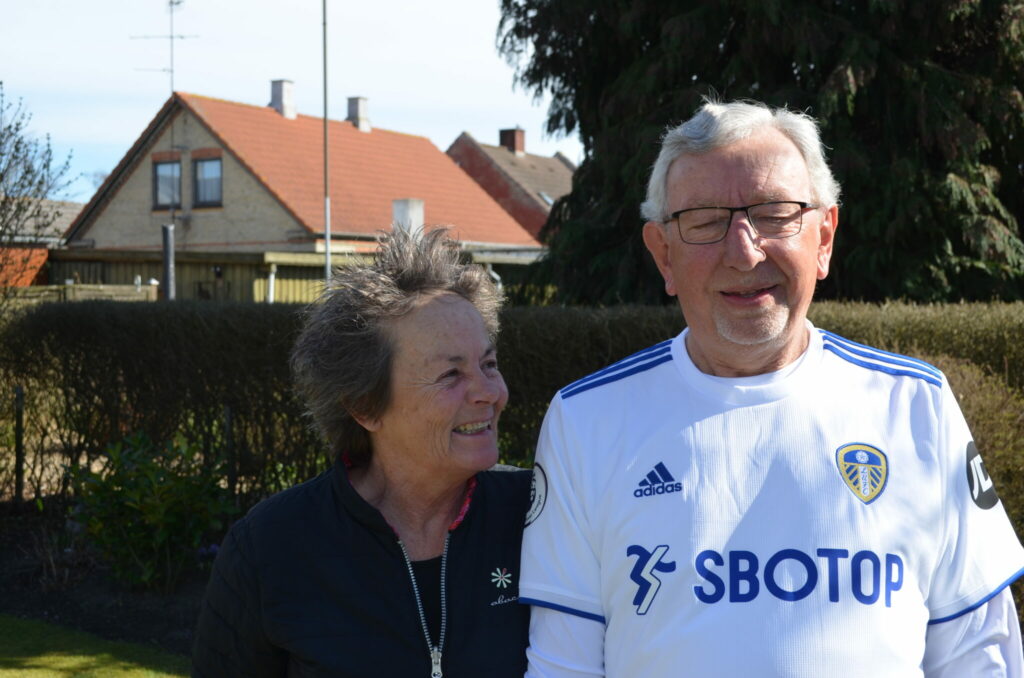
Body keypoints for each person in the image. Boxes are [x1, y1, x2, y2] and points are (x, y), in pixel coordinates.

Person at [518, 100, 1024, 677]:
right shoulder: (588, 422)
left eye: (776, 213)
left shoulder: (916, 407)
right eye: (706, 220)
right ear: (663, 253)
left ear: (825, 237)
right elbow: (564, 666)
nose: (744, 250)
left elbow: (978, 656)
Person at [192, 228, 531, 677]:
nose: (490, 392)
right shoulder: (271, 548)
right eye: (451, 374)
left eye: (488, 364)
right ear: (366, 407)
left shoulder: (540, 516)